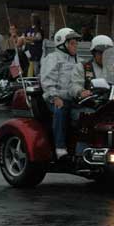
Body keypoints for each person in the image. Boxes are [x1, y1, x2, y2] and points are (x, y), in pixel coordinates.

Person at [41, 28, 81, 159]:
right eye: (72, 43)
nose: (76, 46)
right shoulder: (53, 58)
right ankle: (60, 147)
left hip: (74, 98)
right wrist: (55, 97)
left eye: (76, 43)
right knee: (61, 109)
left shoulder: (78, 60)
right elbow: (47, 81)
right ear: (62, 44)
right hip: (55, 98)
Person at [71, 34, 111, 100]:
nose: (104, 56)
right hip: (87, 105)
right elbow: (74, 85)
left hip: (107, 103)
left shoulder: (112, 68)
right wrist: (81, 91)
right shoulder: (82, 67)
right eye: (100, 53)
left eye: (107, 53)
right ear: (94, 53)